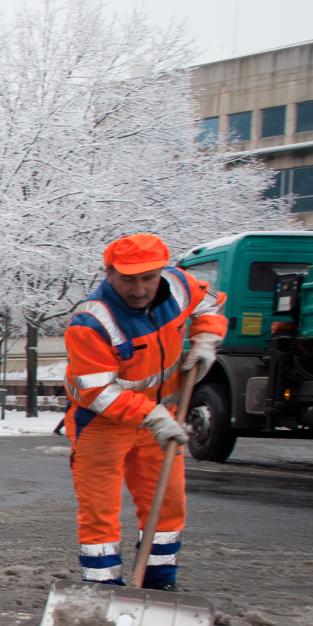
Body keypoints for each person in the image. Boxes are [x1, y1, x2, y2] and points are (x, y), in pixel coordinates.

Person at [63, 234, 224, 590]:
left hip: (161, 417)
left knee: (167, 504)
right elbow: (97, 392)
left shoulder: (181, 286)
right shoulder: (90, 323)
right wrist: (152, 417)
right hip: (102, 425)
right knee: (100, 513)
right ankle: (102, 588)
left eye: (148, 277)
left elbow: (209, 305)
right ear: (109, 274)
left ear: (162, 272)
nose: (139, 290)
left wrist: (206, 340)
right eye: (128, 279)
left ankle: (159, 582)